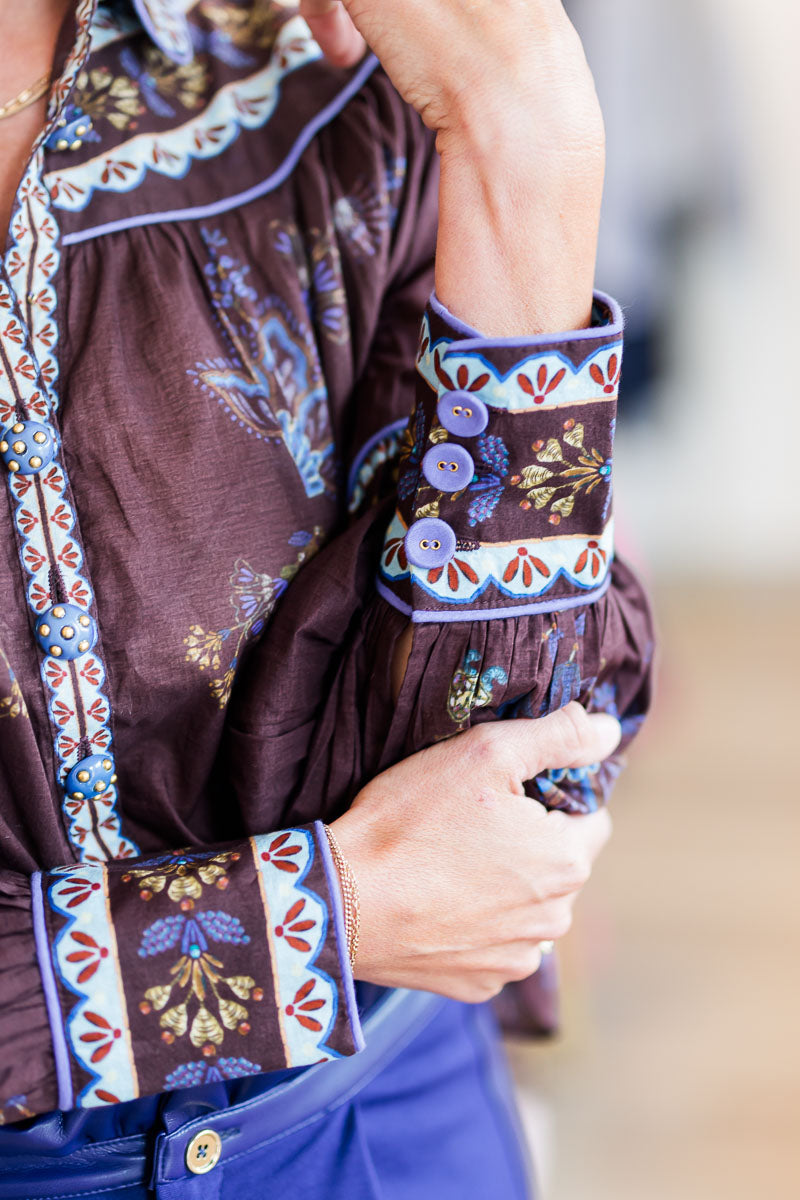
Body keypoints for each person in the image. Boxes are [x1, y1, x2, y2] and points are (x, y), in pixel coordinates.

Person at [0, 1, 652, 1197]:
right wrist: (324, 915)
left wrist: (522, 118)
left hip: (384, 1128)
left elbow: (516, 773)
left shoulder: (320, 69)